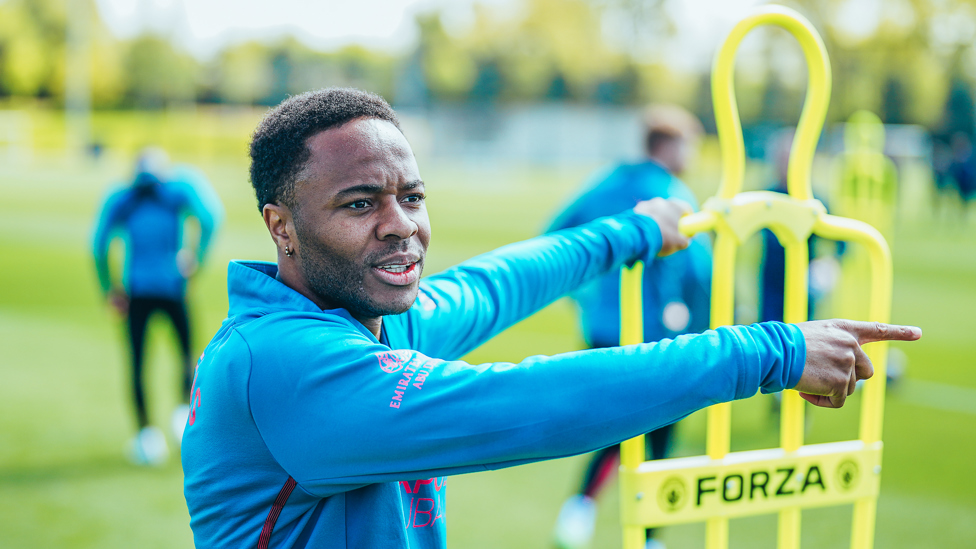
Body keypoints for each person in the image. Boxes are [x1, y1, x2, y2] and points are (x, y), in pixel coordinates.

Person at [180, 88, 920, 549]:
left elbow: (494, 284)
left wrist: (628, 232)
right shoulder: (280, 360)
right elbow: (525, 402)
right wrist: (768, 351)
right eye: (359, 202)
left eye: (412, 194)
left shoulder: (365, 315)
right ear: (282, 226)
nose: (401, 224)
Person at [546, 104, 710, 549]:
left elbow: (557, 235)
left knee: (613, 423)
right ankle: (651, 536)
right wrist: (694, 316)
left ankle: (578, 511)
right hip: (656, 333)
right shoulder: (674, 194)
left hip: (604, 327)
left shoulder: (608, 183)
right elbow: (701, 270)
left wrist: (586, 295)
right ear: (669, 145)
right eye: (688, 145)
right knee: (658, 431)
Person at [92, 148, 221, 465]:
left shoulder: (124, 199)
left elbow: (98, 245)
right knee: (188, 355)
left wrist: (110, 288)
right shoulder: (175, 193)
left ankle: (146, 435)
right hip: (174, 287)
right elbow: (210, 217)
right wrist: (195, 260)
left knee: (137, 362)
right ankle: (182, 416)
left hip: (137, 291)